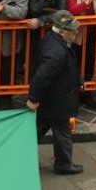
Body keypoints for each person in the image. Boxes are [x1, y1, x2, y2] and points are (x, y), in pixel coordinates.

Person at [26, 10, 84, 175]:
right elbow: (42, 76)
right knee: (62, 132)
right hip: (57, 101)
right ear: (62, 31)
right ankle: (64, 165)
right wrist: (33, 98)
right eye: (72, 30)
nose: (76, 33)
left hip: (51, 99)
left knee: (37, 130)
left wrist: (77, 80)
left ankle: (18, 155)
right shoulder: (57, 52)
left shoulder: (53, 40)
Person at [26, 0, 68, 76]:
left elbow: (62, 13)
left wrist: (41, 21)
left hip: (55, 30)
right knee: (34, 59)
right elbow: (34, 11)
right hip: (35, 32)